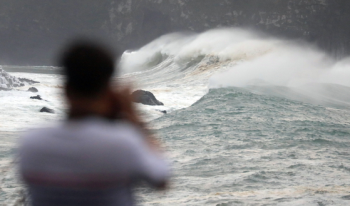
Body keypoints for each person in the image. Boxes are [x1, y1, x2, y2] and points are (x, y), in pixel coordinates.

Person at [18, 40, 170, 206]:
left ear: (65, 90)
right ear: (108, 92)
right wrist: (133, 117)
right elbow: (161, 179)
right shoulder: (122, 144)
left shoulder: (31, 144)